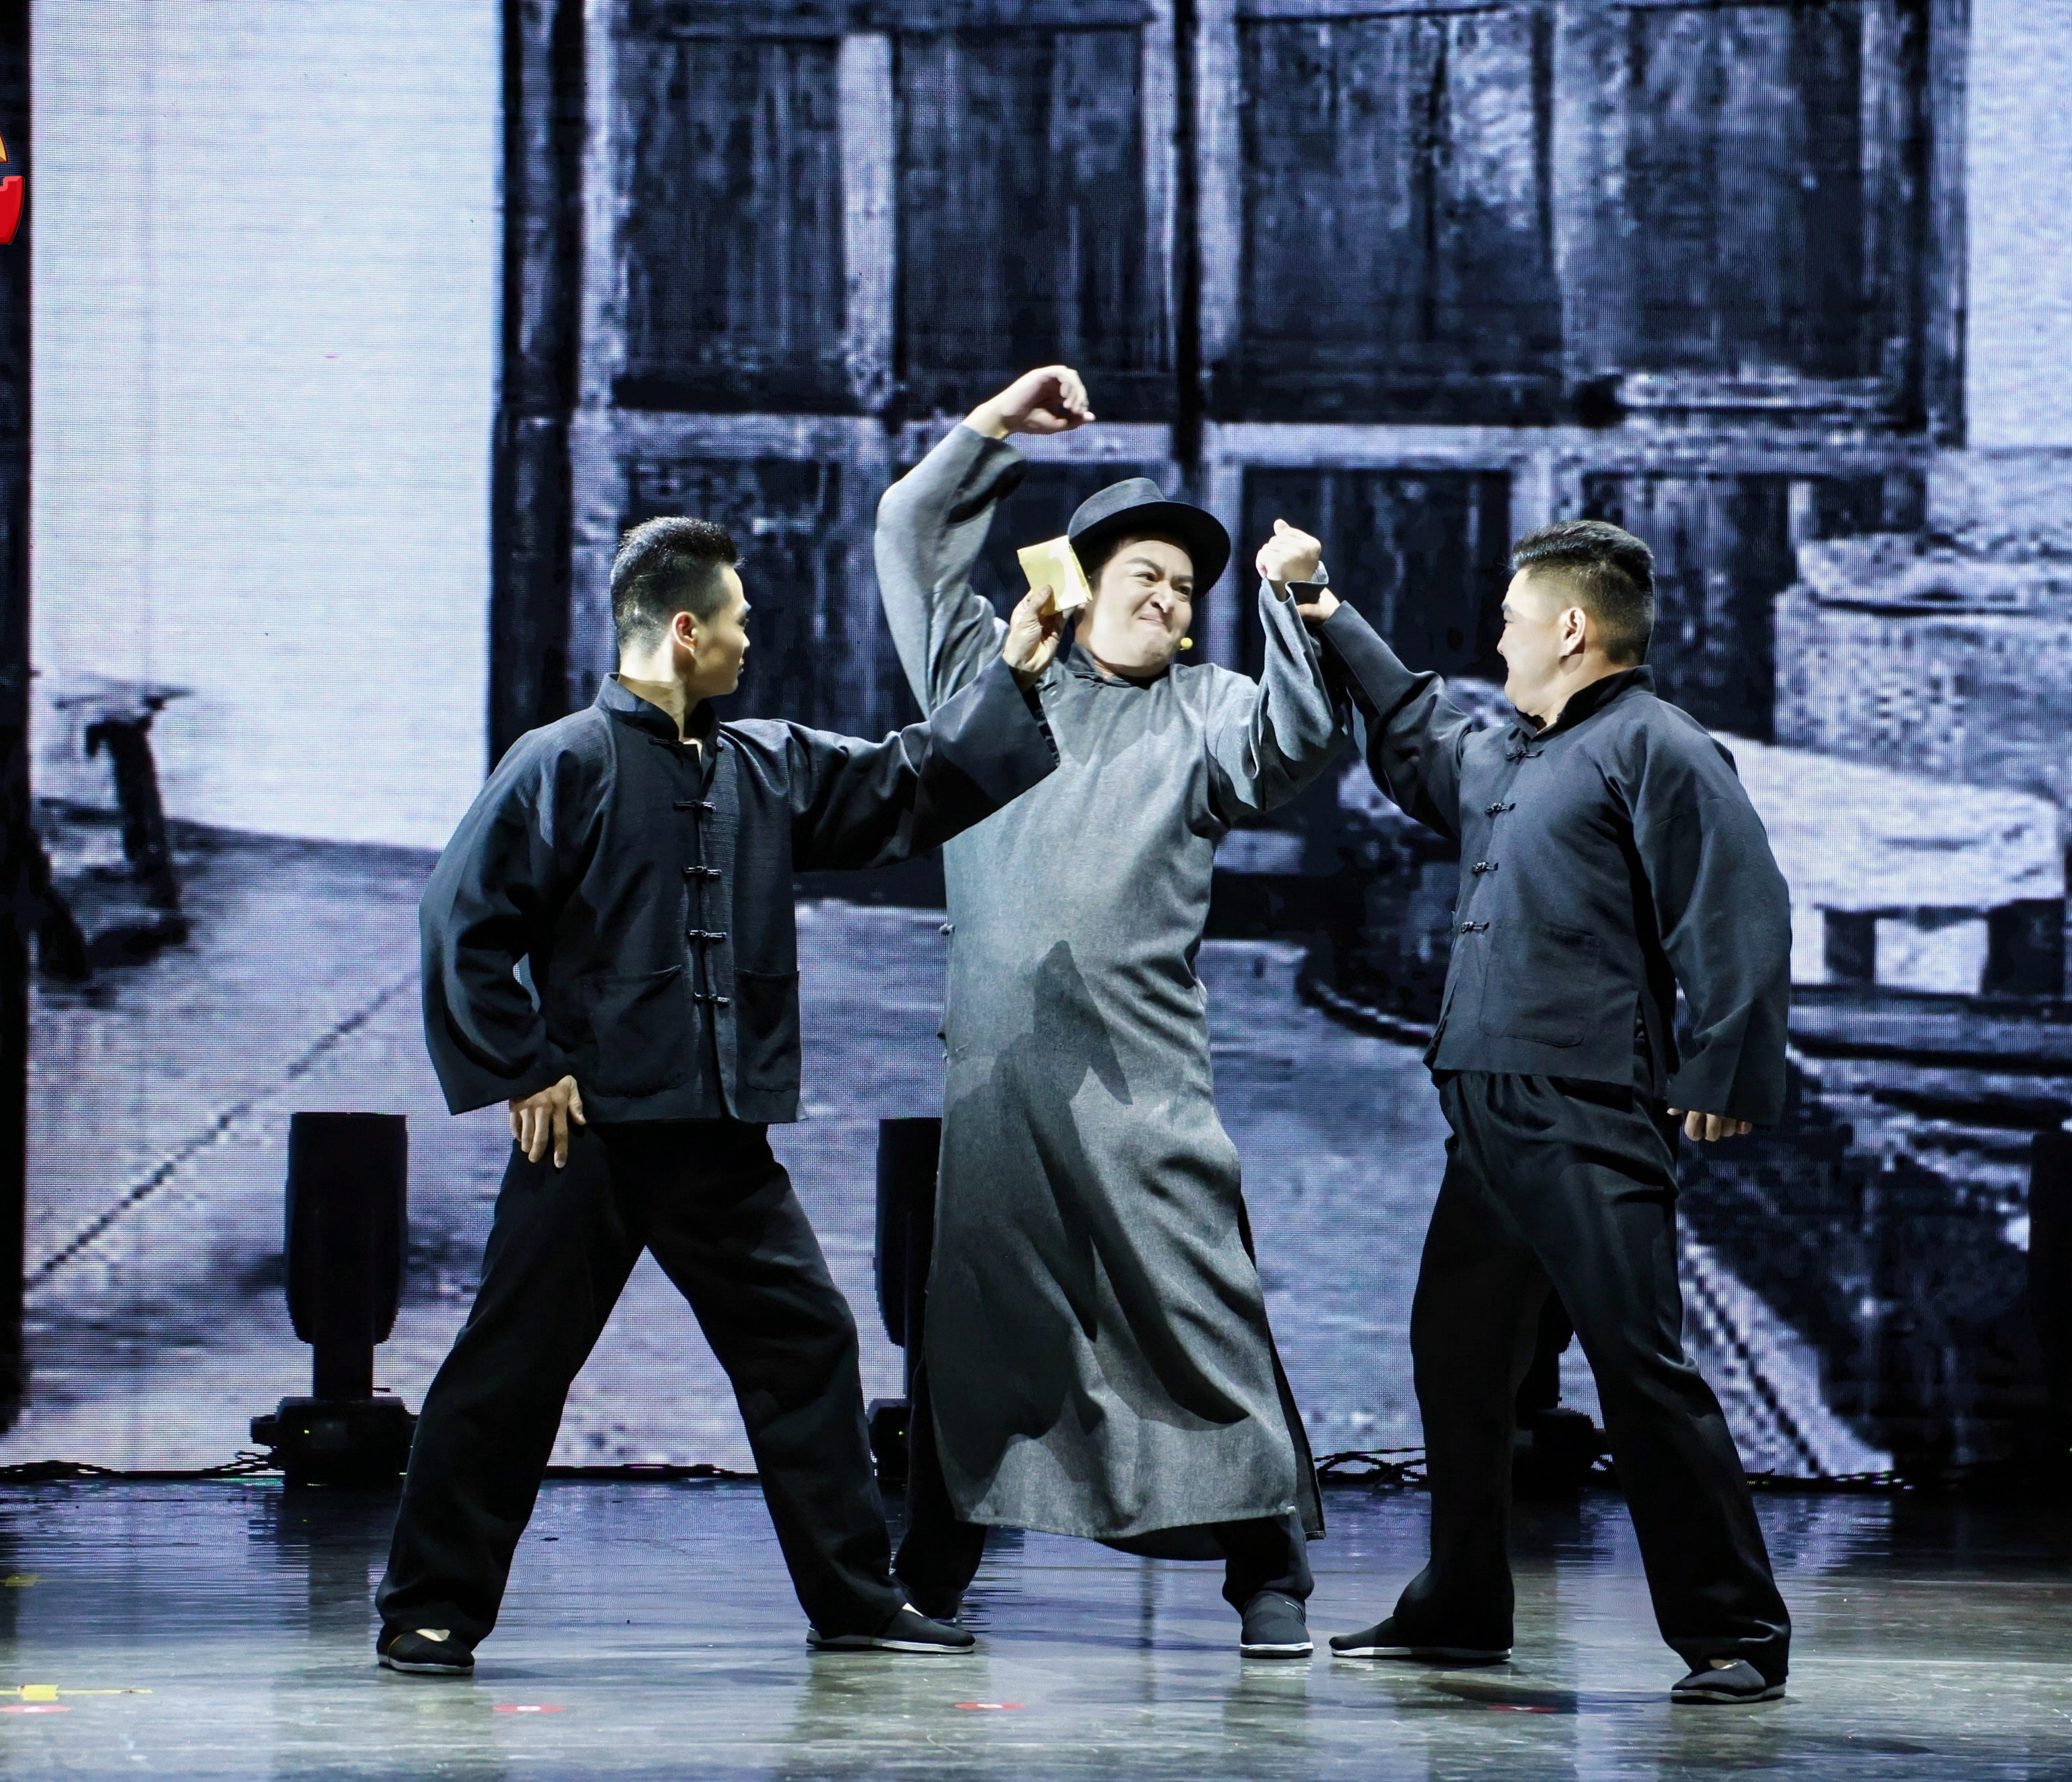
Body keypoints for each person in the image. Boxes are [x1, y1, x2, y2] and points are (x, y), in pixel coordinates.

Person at [374, 516, 1064, 1675]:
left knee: (806, 1345)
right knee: (511, 1369)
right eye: (740, 621)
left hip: (719, 1141)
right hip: (591, 1139)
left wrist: (1016, 674)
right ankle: (429, 1607)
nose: (753, 641)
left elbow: (904, 779)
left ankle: (857, 1599)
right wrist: (524, 1066)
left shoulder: (764, 764)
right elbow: (462, 916)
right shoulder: (563, 761)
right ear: (686, 630)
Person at [874, 366, 1345, 1658]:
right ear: (1079, 583)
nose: (1169, 598)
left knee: (1198, 1305)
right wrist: (992, 429)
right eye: (1145, 573)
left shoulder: (1208, 710)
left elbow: (1297, 741)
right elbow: (910, 532)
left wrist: (1292, 599)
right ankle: (931, 1572)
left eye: (1187, 588)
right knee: (982, 1323)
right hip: (1002, 1078)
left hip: (1144, 1080)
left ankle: (1267, 1571)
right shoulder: (989, 678)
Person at [1294, 516, 1797, 1705]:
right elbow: (1418, 730)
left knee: (1638, 1365)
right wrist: (1326, 612)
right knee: (1459, 1357)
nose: (1500, 641)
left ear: (1572, 630)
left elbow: (1739, 903)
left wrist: (1724, 1066)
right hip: (1488, 1111)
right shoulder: (1515, 754)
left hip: (1586, 1109)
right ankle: (1461, 1608)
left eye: (1514, 622)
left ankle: (1735, 1632)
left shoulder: (1656, 745)